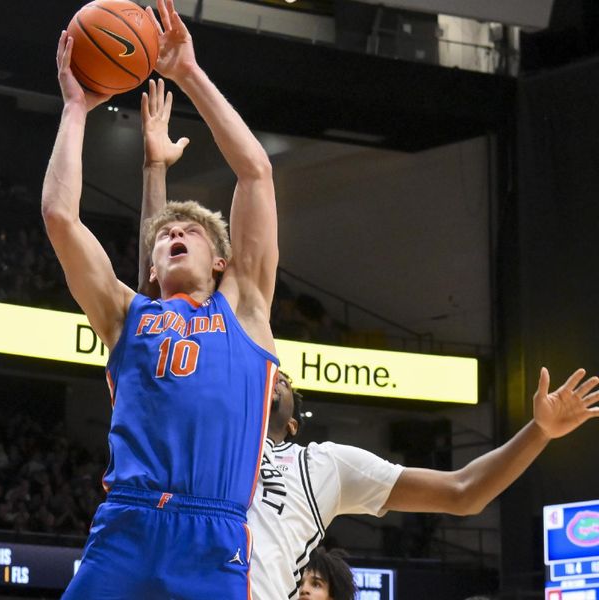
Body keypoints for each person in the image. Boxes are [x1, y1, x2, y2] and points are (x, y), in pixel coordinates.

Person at [136, 81, 599, 600]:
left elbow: (464, 492)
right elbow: (152, 310)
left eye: (282, 378)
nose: (276, 375)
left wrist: (539, 431)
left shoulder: (325, 467)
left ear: (290, 422)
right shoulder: (201, 428)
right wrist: (154, 170)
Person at [42, 0, 279, 596]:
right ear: (149, 264)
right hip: (126, 523)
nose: (174, 234)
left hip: (211, 536)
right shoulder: (127, 315)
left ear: (222, 261)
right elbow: (60, 217)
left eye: (190, 232)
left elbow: (254, 174)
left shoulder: (244, 308)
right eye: (166, 234)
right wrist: (76, 107)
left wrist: (188, 72)